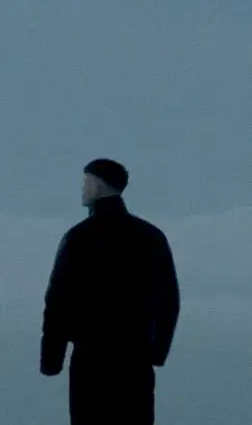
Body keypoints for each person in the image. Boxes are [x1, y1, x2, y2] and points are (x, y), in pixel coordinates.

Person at [40, 158, 180, 425]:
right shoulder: (151, 236)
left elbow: (58, 302)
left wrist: (51, 359)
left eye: (86, 181)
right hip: (135, 358)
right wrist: (158, 350)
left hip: (90, 359)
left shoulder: (78, 238)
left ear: (97, 185)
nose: (83, 188)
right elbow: (169, 300)